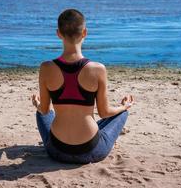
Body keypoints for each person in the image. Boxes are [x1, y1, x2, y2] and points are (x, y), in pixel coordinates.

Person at [32, 9, 134, 164]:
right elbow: (104, 112)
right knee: (122, 113)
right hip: (91, 150)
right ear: (85, 33)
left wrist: (37, 104)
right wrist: (124, 106)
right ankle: (112, 131)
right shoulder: (98, 69)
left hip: (57, 150)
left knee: (41, 113)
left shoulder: (46, 67)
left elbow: (45, 111)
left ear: (58, 33)